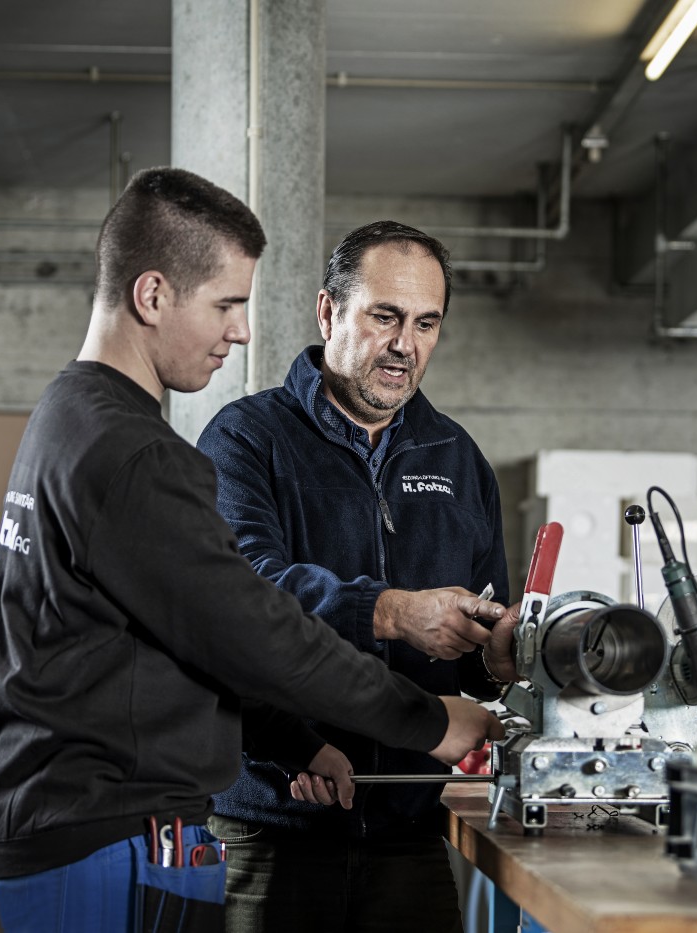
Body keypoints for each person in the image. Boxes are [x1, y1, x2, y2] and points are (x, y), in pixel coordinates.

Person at [0, 173, 505, 933]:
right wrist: (422, 717)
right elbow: (253, 629)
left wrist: (301, 735)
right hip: (114, 827)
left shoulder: (71, 414)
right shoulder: (144, 453)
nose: (243, 330)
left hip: (89, 820)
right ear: (152, 295)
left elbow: (191, 629)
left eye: (426, 322)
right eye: (226, 304)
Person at [197, 220, 519, 932]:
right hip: (274, 826)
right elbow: (238, 606)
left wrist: (498, 664)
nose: (406, 344)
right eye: (385, 316)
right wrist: (285, 745)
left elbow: (482, 666)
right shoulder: (248, 440)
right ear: (328, 312)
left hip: (412, 832)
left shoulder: (459, 459)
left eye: (426, 323)